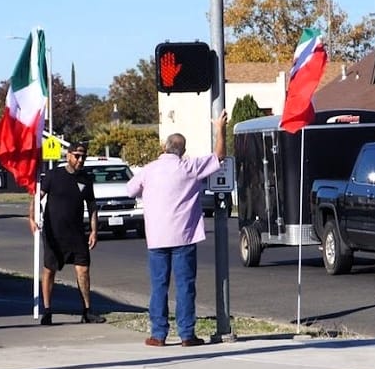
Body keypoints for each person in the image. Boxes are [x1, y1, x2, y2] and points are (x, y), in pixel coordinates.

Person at [126, 110, 228, 347]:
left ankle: (158, 334)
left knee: (159, 286)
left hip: (157, 238)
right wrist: (219, 128)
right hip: (183, 236)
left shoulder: (149, 169)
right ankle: (186, 334)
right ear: (182, 150)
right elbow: (219, 155)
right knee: (185, 286)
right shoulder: (189, 167)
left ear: (164, 147)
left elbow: (130, 190)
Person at [28, 141, 106, 326]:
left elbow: (92, 207)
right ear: (68, 155)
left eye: (83, 157)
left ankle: (87, 311)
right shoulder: (54, 176)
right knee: (50, 270)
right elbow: (37, 196)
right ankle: (47, 310)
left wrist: (94, 231)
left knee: (83, 270)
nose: (80, 160)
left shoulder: (86, 179)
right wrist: (31, 217)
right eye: (77, 156)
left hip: (77, 234)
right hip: (54, 233)